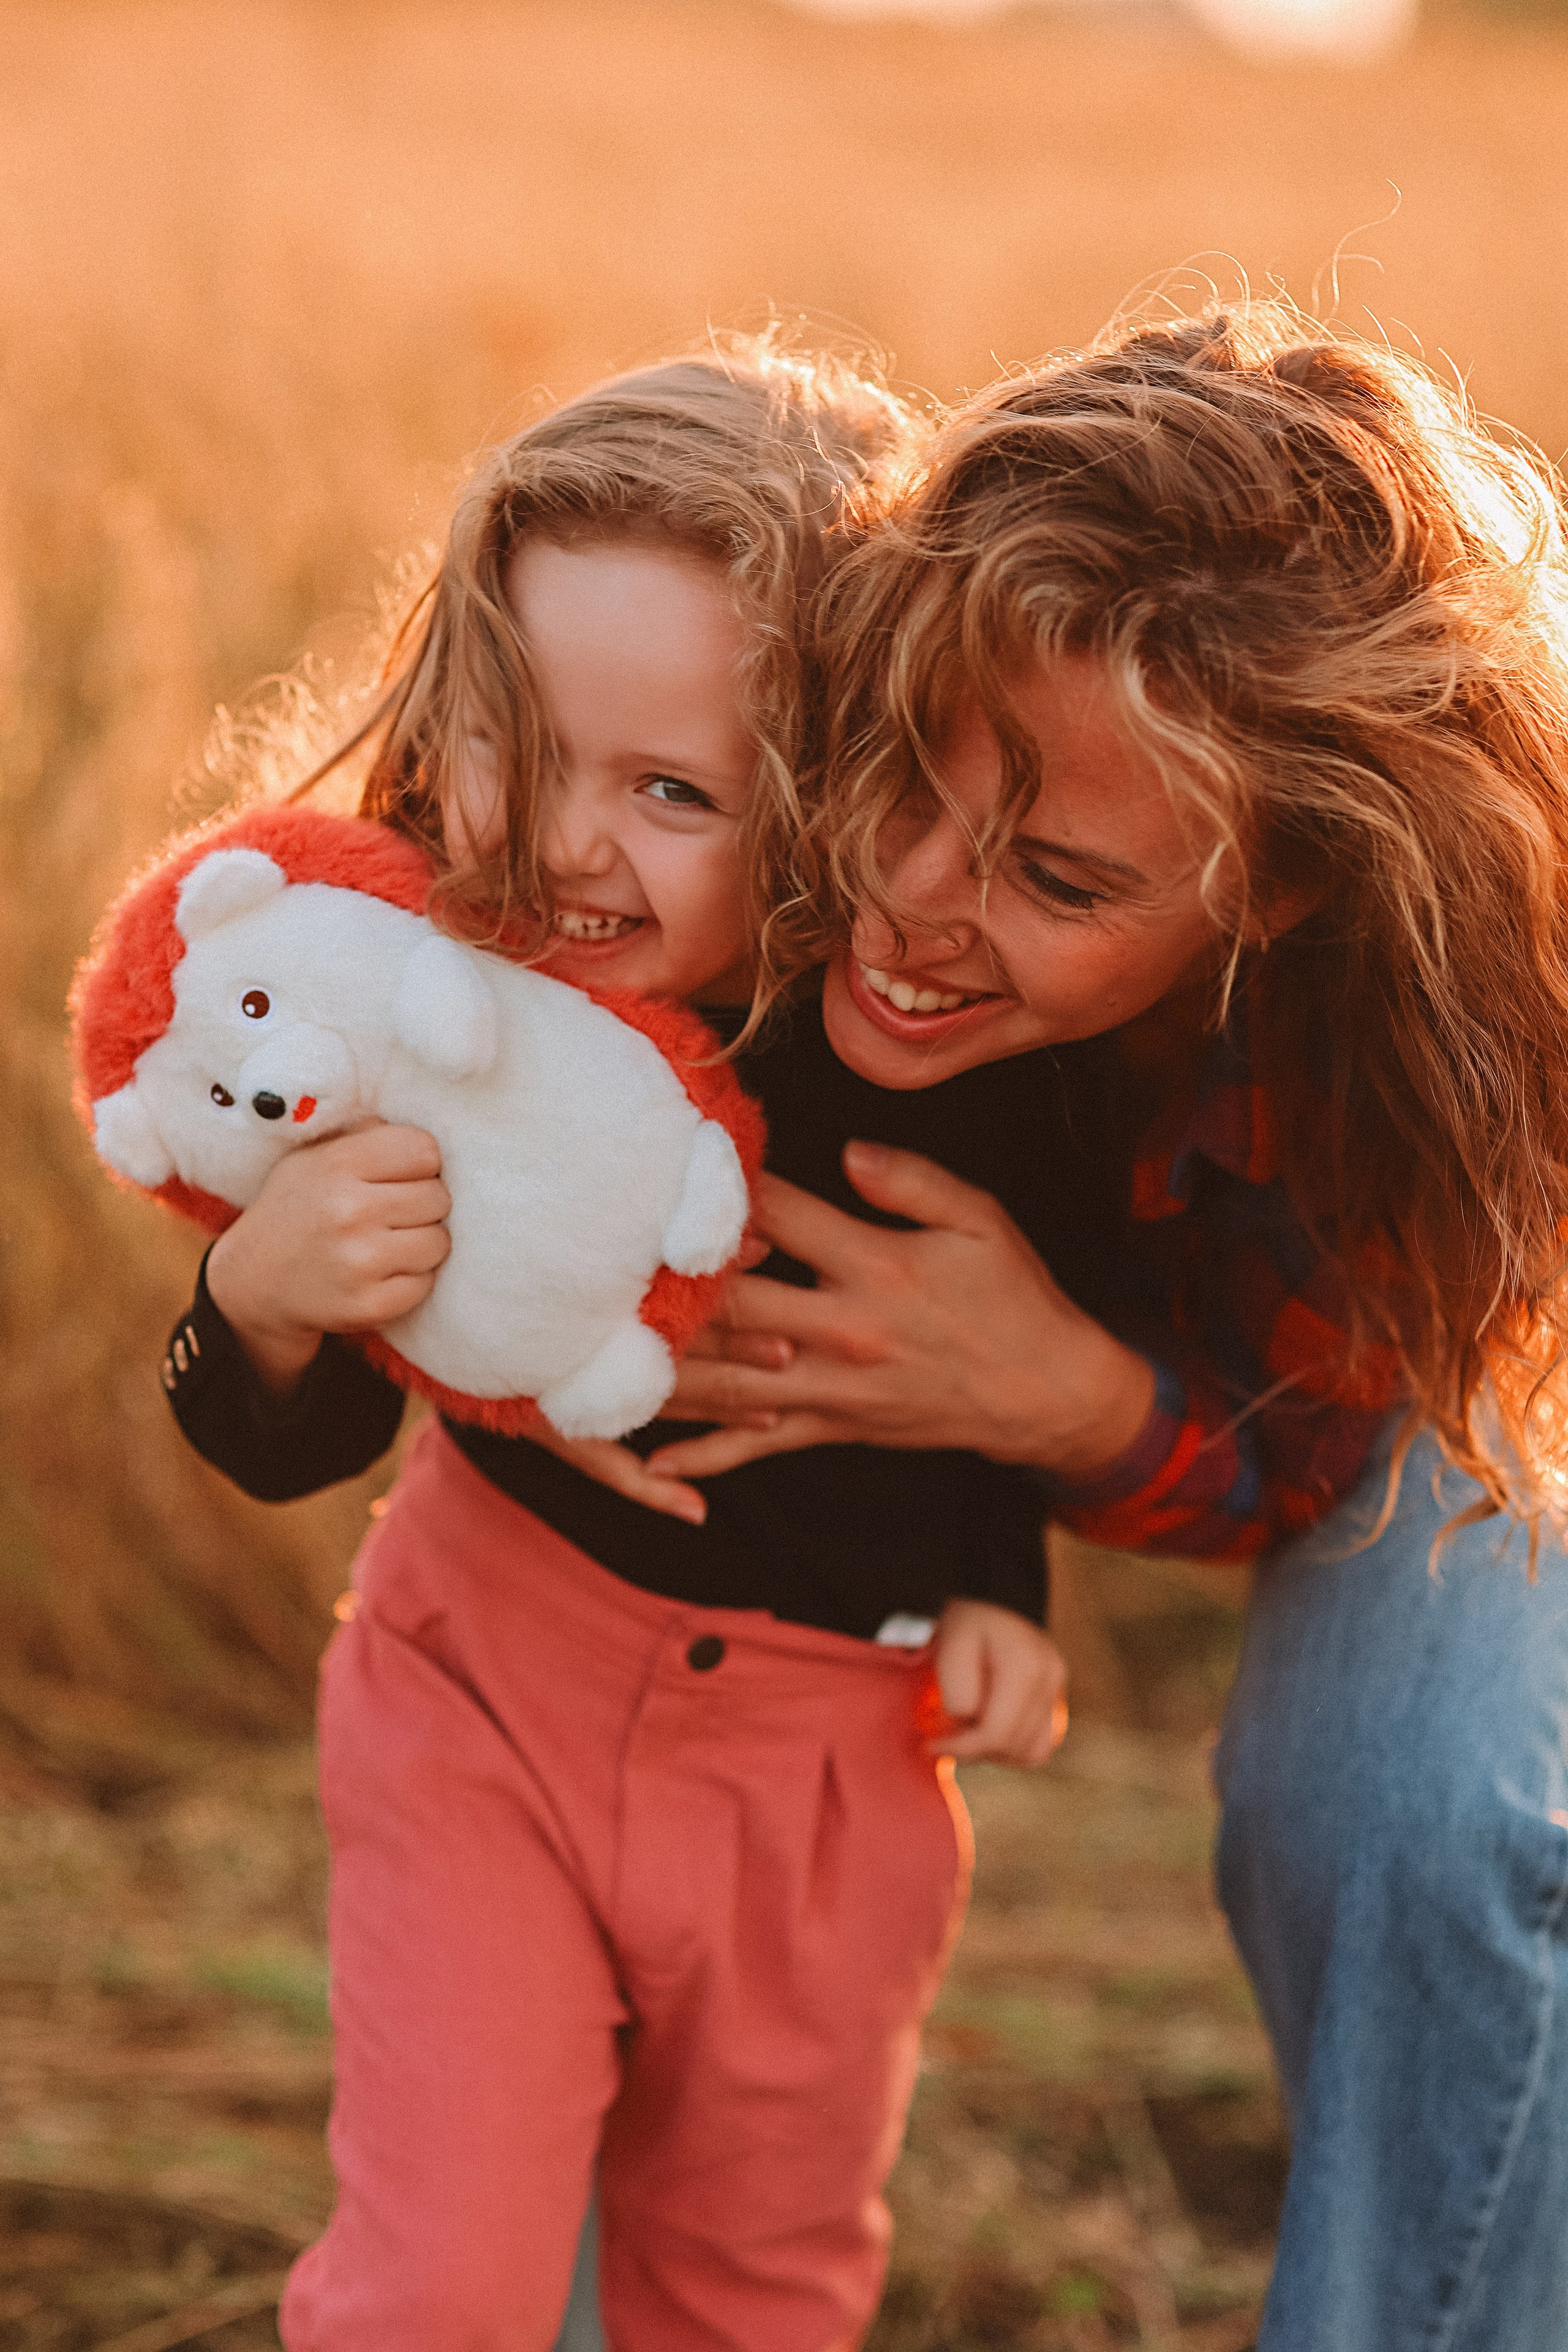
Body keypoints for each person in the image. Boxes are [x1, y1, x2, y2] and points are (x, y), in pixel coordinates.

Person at [627, 305, 1568, 2351]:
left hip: (1496, 1376)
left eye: (1052, 877)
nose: (904, 896)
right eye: (899, 780)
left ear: (1282, 895)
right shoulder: (783, 720)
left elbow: (1329, 1444)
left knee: (1427, 1797)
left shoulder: (1413, 1031)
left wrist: (1071, 1401)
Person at [156, 339, 1077, 2352]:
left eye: (673, 790)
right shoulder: (419, 1003)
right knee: (438, 2290)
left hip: (828, 1772)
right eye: (525, 747)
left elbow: (988, 1345)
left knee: (750, 2288)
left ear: (839, 804)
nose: (571, 846)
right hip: (481, 1690)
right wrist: (262, 1300)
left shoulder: (926, 1058)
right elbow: (270, 1440)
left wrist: (997, 1579)